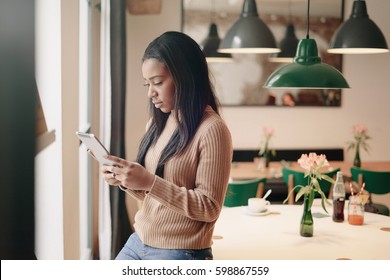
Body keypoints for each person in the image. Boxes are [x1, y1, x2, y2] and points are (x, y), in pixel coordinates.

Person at [100, 31, 233, 260]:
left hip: (181, 249)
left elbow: (209, 208)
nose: (151, 93)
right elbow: (156, 197)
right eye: (147, 84)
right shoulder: (158, 122)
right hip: (139, 239)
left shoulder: (212, 130)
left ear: (185, 76)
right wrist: (125, 179)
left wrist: (150, 181)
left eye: (158, 82)